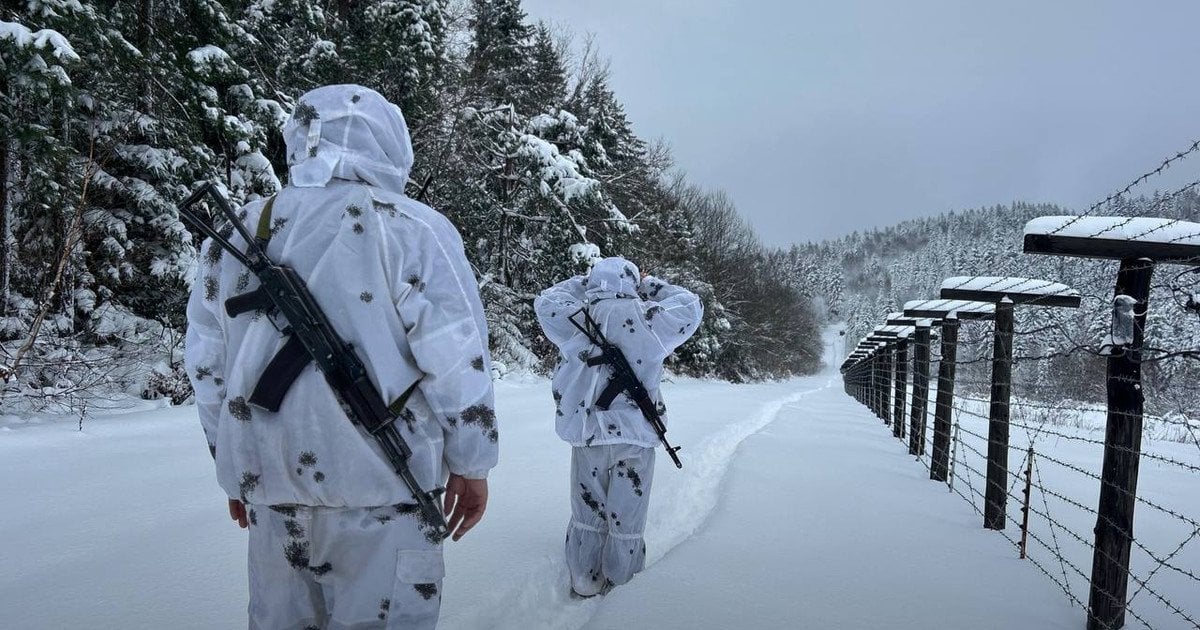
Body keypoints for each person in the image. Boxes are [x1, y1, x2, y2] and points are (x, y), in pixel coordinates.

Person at [185, 84, 497, 630]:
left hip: (273, 485)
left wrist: (234, 468)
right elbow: (457, 358)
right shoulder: (412, 226)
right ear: (388, 142)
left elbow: (209, 368)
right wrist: (472, 464)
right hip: (387, 494)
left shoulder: (241, 232)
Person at [534, 256, 703, 597]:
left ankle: (584, 579)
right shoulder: (652, 321)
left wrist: (588, 282)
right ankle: (624, 586)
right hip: (636, 434)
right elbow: (691, 305)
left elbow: (546, 300)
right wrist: (649, 284)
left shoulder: (573, 319)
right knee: (628, 514)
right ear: (632, 284)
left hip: (589, 432)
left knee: (588, 510)